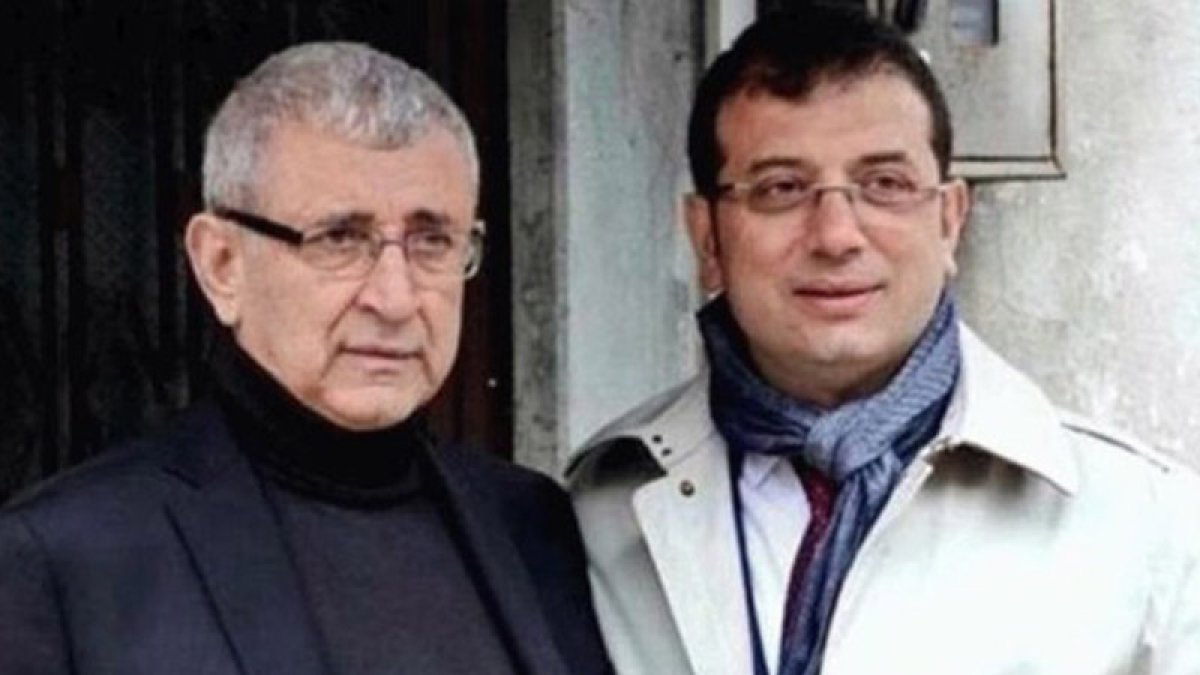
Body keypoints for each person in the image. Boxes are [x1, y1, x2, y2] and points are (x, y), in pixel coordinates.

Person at [566, 5, 1200, 675]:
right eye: (782, 188)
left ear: (949, 220)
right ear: (707, 238)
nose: (836, 235)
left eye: (885, 185)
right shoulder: (599, 510)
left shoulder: (1146, 527)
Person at [0, 42, 611, 675]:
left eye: (433, 241)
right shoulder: (64, 561)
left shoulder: (535, 526)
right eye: (339, 238)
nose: (395, 299)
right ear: (221, 264)